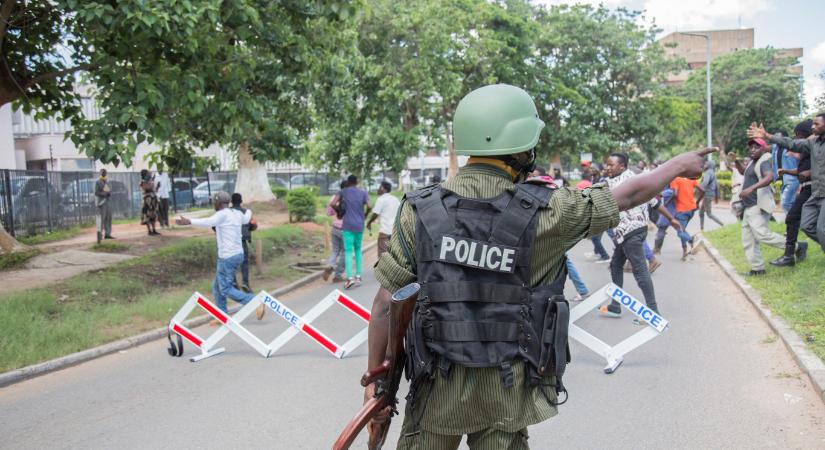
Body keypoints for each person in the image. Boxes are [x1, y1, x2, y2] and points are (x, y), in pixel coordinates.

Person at [362, 84, 711, 449]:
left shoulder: (420, 209)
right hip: (508, 391)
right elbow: (628, 195)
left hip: (435, 388)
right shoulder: (551, 210)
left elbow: (387, 303)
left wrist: (376, 383)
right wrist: (678, 165)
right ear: (522, 145)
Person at [599, 152, 681, 324]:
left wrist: (671, 219)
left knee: (640, 270)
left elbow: (653, 201)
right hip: (624, 233)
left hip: (632, 230)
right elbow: (654, 202)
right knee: (615, 266)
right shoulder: (613, 180)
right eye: (606, 164)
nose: (607, 167)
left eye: (611, 165)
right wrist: (671, 219)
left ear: (622, 166)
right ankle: (615, 305)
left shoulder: (630, 181)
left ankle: (653, 312)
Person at [176, 192, 264, 320]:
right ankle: (222, 317)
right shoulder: (236, 213)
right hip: (238, 254)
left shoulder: (221, 215)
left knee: (225, 289)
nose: (214, 205)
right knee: (217, 287)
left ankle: (254, 301)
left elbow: (208, 221)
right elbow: (247, 216)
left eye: (214, 202)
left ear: (218, 203)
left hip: (227, 258)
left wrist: (189, 221)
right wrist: (249, 208)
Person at [750, 115, 825, 254]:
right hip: (816, 193)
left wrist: (809, 172)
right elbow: (792, 144)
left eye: (817, 124)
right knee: (806, 225)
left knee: (821, 228)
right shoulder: (813, 143)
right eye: (813, 124)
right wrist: (767, 135)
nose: (813, 126)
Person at [726, 138, 788, 275]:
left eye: (757, 147)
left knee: (761, 235)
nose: (753, 149)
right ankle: (757, 269)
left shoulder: (764, 161)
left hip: (757, 205)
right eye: (751, 147)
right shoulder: (753, 162)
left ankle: (794, 246)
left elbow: (769, 177)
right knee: (748, 239)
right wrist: (736, 161)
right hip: (748, 206)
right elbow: (743, 172)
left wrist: (750, 189)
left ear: (764, 148)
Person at [770, 120, 813, 267]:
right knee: (799, 221)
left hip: (815, 188)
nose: (796, 138)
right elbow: (801, 171)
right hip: (807, 187)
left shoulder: (814, 147)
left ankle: (790, 255)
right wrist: (787, 171)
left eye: (799, 135)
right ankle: (790, 255)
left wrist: (810, 173)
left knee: (798, 219)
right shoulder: (807, 150)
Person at [340, 174, 371, 289]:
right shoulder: (363, 192)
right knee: (358, 250)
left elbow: (333, 203)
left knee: (348, 251)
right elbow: (370, 205)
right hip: (359, 225)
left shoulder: (343, 192)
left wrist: (339, 212)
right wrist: (365, 215)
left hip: (347, 225)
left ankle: (349, 278)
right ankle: (358, 276)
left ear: (348, 182)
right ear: (357, 182)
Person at [576, 170, 610, 262]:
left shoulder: (599, 183)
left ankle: (605, 255)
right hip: (601, 213)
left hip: (600, 214)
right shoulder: (595, 183)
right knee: (597, 236)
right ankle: (598, 253)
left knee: (596, 237)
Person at [670, 174, 704, 259]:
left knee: (680, 232)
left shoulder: (676, 179)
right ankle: (685, 251)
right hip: (691, 209)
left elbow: (675, 194)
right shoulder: (691, 177)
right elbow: (703, 190)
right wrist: (697, 202)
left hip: (682, 210)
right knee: (683, 230)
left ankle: (692, 240)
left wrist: (667, 202)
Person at [366, 180, 400, 259]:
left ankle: (384, 270)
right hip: (395, 232)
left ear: (384, 189)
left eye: (380, 187)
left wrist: (369, 223)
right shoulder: (395, 199)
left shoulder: (381, 199)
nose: (378, 189)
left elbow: (375, 213)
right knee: (394, 255)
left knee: (383, 256)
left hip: (385, 231)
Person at [231, 193, 256, 293]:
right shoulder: (246, 212)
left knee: (232, 262)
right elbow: (253, 225)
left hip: (231, 241)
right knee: (244, 262)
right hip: (242, 240)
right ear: (241, 201)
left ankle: (233, 282)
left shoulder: (228, 212)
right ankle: (245, 283)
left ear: (231, 202)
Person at [323, 180, 348, 283]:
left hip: (335, 228)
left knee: (335, 250)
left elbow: (329, 213)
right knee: (346, 252)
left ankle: (330, 265)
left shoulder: (334, 198)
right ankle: (337, 275)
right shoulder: (351, 199)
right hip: (346, 229)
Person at [698, 159, 724, 231]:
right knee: (701, 212)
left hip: (707, 195)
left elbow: (705, 183)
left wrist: (697, 186)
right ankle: (702, 229)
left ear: (710, 165)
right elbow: (716, 186)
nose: (704, 165)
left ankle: (722, 225)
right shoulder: (712, 172)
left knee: (709, 214)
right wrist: (716, 197)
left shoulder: (708, 173)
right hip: (709, 194)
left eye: (706, 164)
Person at [139, 169, 160, 236]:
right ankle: (149, 231)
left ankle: (154, 230)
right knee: (147, 215)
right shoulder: (142, 182)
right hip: (147, 201)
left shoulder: (150, 181)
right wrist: (152, 181)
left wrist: (157, 187)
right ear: (145, 175)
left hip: (153, 200)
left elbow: (154, 190)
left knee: (153, 215)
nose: (149, 175)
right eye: (148, 174)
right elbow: (147, 188)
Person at [94, 169, 114, 239]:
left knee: (109, 218)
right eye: (102, 172)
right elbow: (96, 192)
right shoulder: (98, 182)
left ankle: (107, 234)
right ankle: (99, 235)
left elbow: (110, 190)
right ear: (100, 173)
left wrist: (109, 193)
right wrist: (104, 194)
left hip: (108, 202)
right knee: (102, 219)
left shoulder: (107, 181)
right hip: (101, 202)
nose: (104, 173)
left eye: (105, 172)